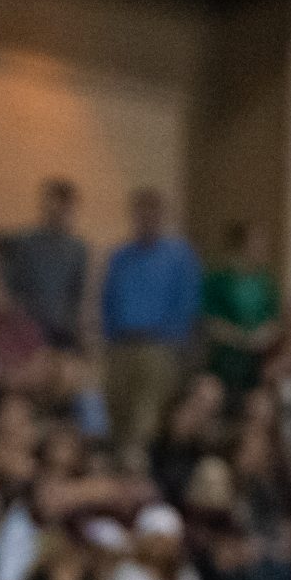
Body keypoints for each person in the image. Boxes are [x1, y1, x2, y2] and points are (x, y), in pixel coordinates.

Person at [99, 187, 200, 457]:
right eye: (140, 212)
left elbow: (186, 304)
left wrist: (173, 345)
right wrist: (106, 339)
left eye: (152, 212)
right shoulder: (120, 257)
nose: (146, 218)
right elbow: (107, 300)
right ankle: (116, 463)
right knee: (116, 409)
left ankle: (138, 464)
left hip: (159, 346)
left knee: (147, 415)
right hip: (121, 344)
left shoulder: (179, 256)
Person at [1, 178, 88, 350]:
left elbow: (77, 293)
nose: (56, 210)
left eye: (63, 205)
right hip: (28, 329)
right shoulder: (26, 243)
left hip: (63, 330)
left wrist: (77, 328)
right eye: (52, 203)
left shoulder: (78, 249)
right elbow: (12, 286)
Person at [199, 220, 280, 397]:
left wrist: (260, 337)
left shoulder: (266, 282)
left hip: (259, 354)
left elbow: (274, 321)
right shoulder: (219, 279)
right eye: (257, 243)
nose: (262, 249)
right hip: (226, 354)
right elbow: (209, 320)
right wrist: (240, 339)